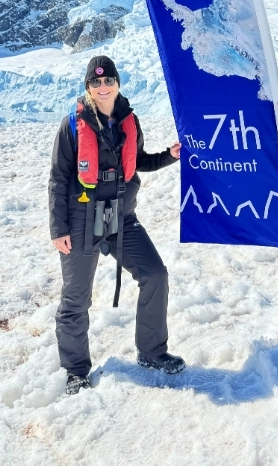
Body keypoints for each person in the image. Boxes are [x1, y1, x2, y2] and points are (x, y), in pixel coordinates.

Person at [48, 55, 182, 395]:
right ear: (88, 87)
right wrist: (57, 228)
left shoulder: (129, 120)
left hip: (121, 218)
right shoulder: (71, 125)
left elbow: (140, 162)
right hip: (80, 221)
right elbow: (58, 178)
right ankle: (76, 370)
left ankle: (152, 352)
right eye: (96, 82)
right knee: (76, 299)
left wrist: (170, 155)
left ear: (118, 84)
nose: (103, 87)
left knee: (155, 274)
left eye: (109, 81)